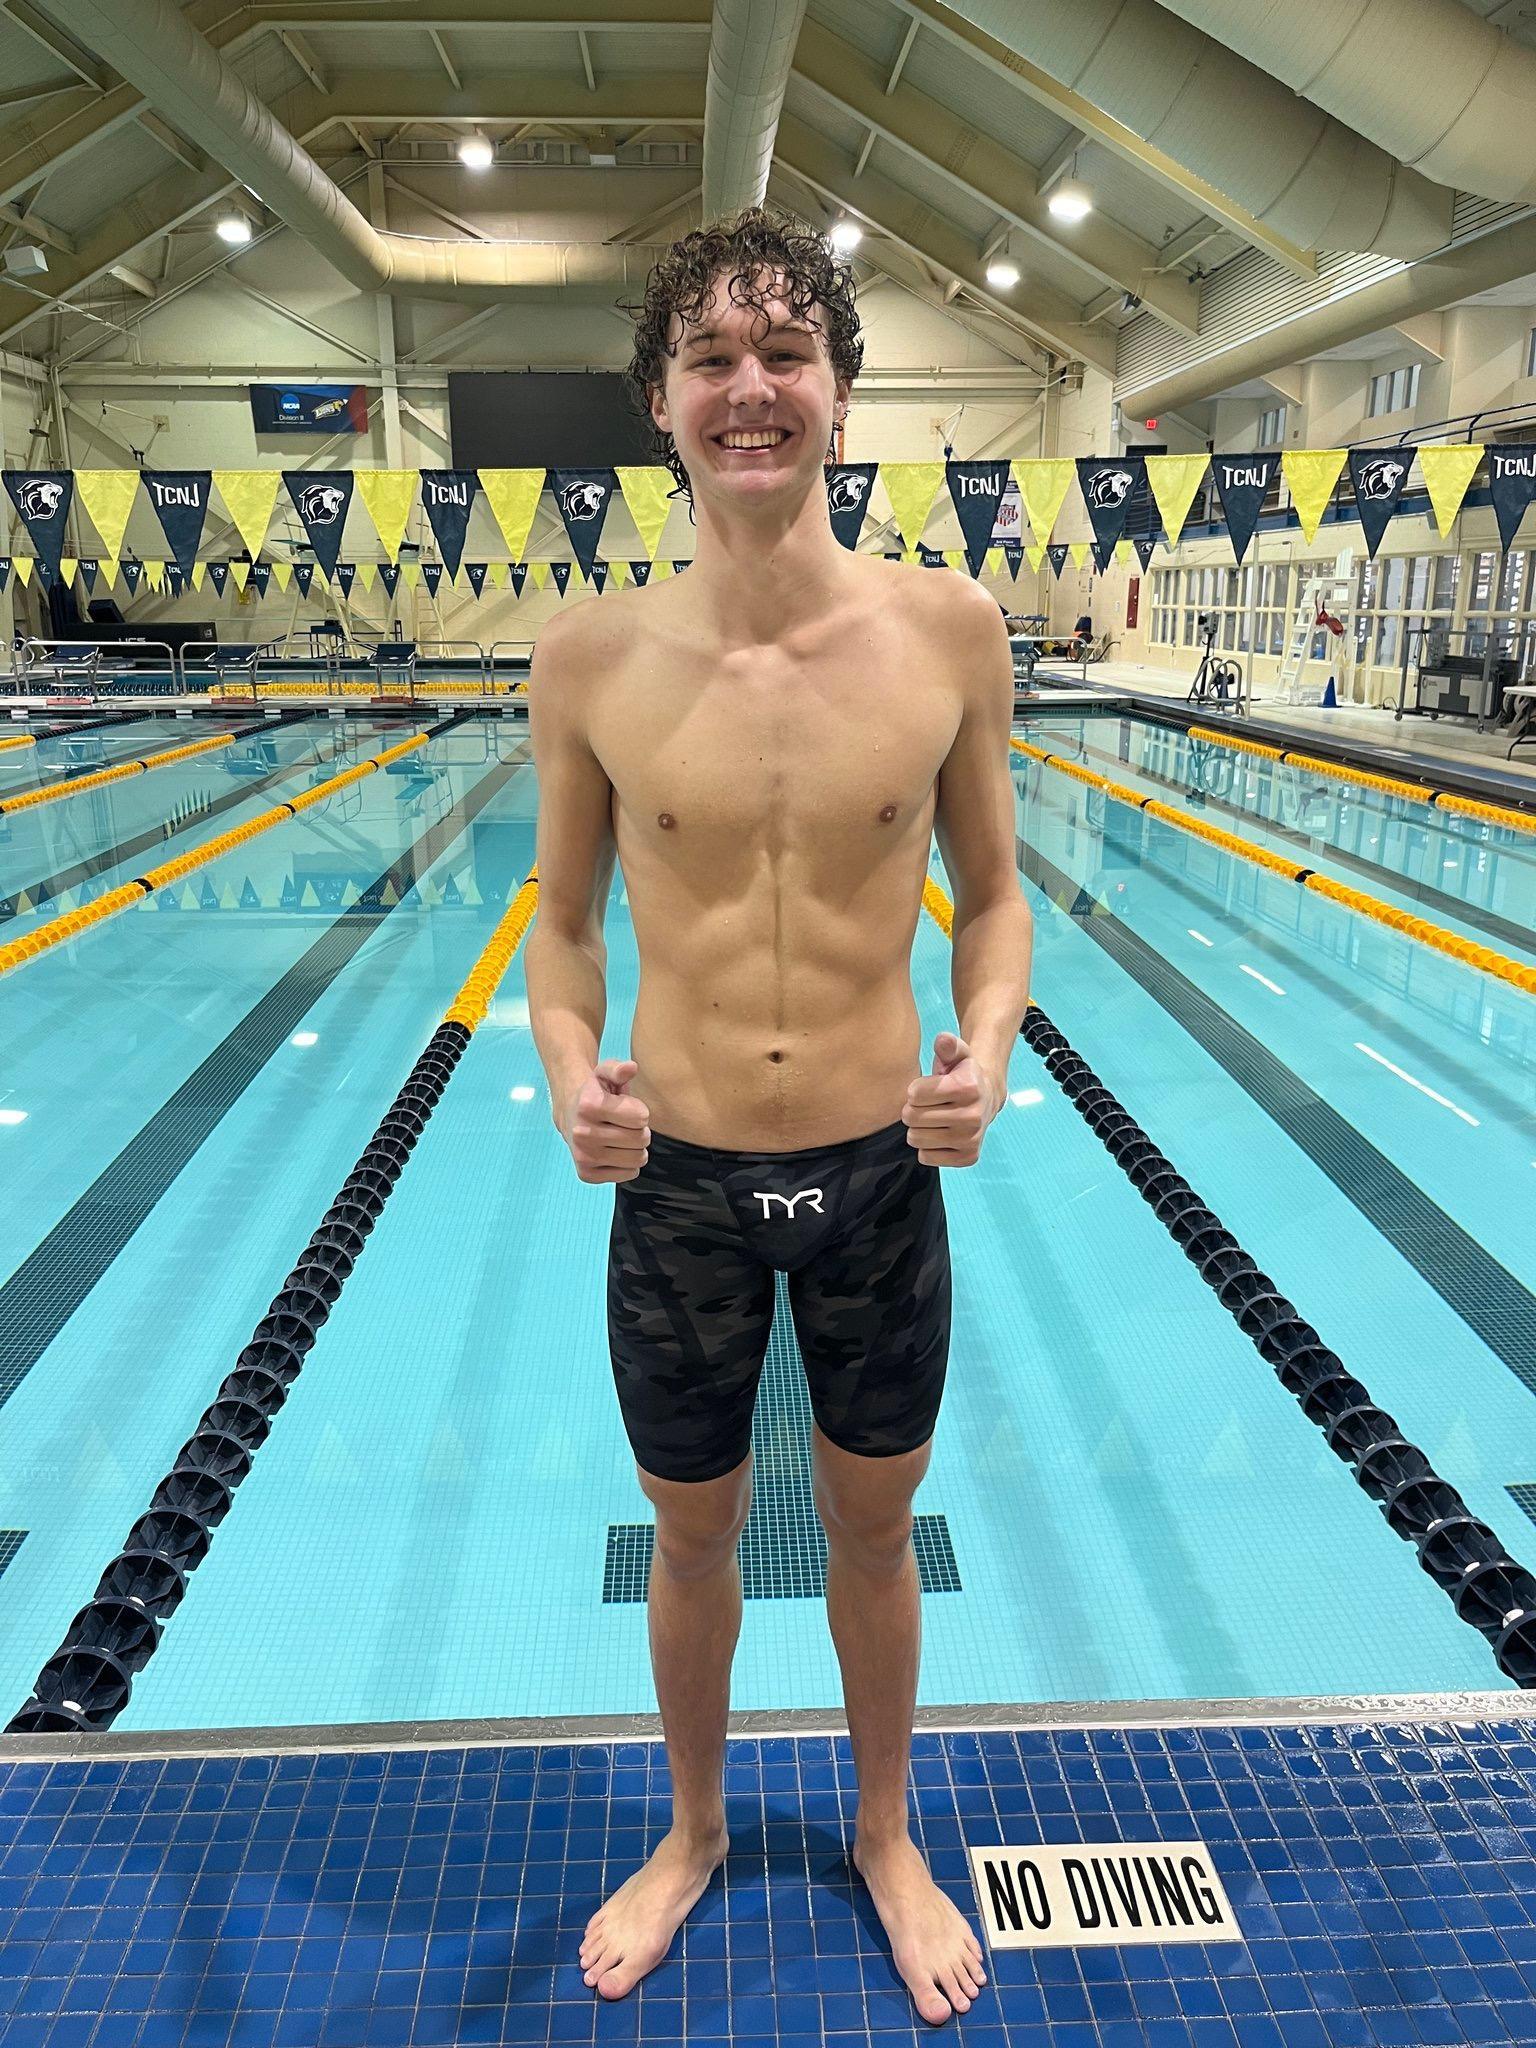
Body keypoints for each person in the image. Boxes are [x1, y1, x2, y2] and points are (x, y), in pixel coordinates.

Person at [524, 204, 1034, 2028]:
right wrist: (569, 1073)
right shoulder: (590, 658)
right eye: (713, 359)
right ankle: (693, 1833)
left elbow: (995, 898)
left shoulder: (948, 629)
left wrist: (988, 1046)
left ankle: (886, 1836)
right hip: (677, 1187)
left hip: (878, 1171)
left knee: (876, 1537)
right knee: (693, 1541)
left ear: (838, 390)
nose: (753, 389)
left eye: (787, 354)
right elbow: (562, 930)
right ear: (661, 401)